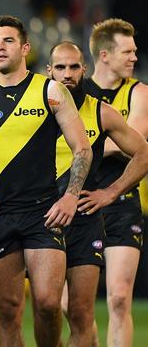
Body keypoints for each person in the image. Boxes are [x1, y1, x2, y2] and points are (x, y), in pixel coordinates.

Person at [0, 15, 92, 347]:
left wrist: (70, 197)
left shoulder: (49, 91)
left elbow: (82, 148)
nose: (0, 47)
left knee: (49, 305)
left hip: (43, 212)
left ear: (25, 48)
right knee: (7, 311)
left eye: (8, 40)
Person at [48, 41, 148, 347]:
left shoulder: (102, 112)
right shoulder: (31, 110)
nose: (67, 74)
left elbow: (143, 152)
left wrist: (109, 192)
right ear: (48, 71)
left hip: (88, 217)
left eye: (73, 67)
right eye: (60, 67)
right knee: (51, 306)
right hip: (42, 219)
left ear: (84, 69)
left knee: (89, 307)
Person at [83, 18, 148, 347]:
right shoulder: (76, 91)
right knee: (73, 307)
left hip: (121, 201)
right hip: (80, 204)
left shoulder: (141, 93)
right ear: (104, 55)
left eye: (135, 51)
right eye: (128, 51)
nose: (135, 57)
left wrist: (81, 146)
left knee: (119, 299)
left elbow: (132, 143)